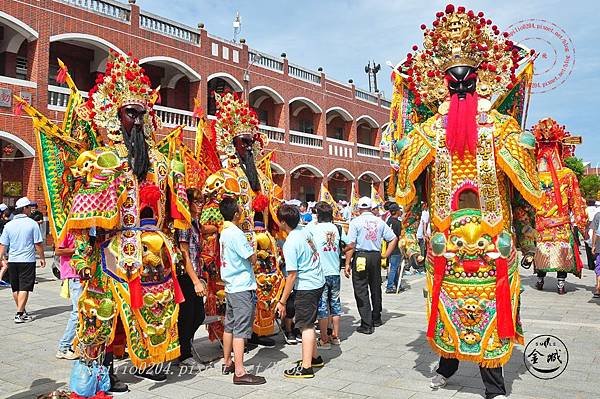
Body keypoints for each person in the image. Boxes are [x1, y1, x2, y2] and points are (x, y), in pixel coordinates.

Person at [385, 6, 542, 398]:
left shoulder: (502, 129)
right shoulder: (426, 132)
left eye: (467, 77)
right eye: (452, 78)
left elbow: (523, 192)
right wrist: (407, 233)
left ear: (480, 79)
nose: (459, 84)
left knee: (493, 309)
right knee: (445, 307)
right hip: (446, 243)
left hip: (492, 243)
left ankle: (493, 382)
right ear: (441, 82)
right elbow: (412, 191)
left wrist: (526, 236)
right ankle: (447, 364)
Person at [16, 53, 190, 395]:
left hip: (154, 252)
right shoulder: (103, 158)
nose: (138, 119)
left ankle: (137, 368)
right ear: (114, 113)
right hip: (112, 251)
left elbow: (179, 209)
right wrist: (81, 255)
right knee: (99, 318)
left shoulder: (161, 161)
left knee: (143, 316)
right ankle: (91, 384)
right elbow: (84, 215)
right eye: (131, 112)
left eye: (143, 112)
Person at [200, 92, 284, 348]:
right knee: (235, 298)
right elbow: (208, 218)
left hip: (261, 250)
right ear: (231, 143)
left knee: (263, 290)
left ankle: (259, 331)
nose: (248, 147)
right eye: (243, 142)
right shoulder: (222, 178)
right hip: (235, 250)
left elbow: (275, 214)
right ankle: (237, 339)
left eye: (251, 142)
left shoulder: (262, 178)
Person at [530, 118, 587, 294]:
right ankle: (560, 283)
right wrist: (581, 222)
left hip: (541, 225)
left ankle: (540, 278)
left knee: (542, 253)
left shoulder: (533, 175)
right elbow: (576, 201)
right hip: (559, 225)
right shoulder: (567, 175)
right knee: (559, 253)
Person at [218, 197, 266, 385]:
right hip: (242, 286)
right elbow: (252, 258)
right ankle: (239, 371)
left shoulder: (225, 231)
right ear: (236, 213)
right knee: (240, 329)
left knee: (230, 325)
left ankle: (227, 361)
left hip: (231, 285)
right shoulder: (236, 233)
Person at [276, 204, 325, 378]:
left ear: (283, 222)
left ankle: (306, 367)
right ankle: (314, 357)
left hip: (307, 286)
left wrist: (282, 301)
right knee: (309, 321)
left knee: (306, 326)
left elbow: (292, 275)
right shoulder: (304, 231)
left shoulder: (290, 242)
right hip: (317, 281)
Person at [344, 197, 398, 334]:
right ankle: (376, 317)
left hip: (361, 256)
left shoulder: (355, 222)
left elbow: (351, 245)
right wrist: (385, 255)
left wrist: (347, 263)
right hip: (375, 256)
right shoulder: (380, 222)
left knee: (361, 288)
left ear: (359, 208)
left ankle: (366, 323)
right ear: (371, 208)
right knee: (375, 286)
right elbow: (393, 238)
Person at [0, 196, 45, 323]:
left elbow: (3, 244)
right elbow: (38, 244)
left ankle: (22, 310)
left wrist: (0, 258)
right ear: (24, 209)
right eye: (29, 207)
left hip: (13, 260)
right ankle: (19, 314)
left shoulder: (9, 225)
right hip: (27, 260)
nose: (31, 209)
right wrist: (42, 258)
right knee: (25, 286)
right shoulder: (32, 224)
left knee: (16, 287)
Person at [176, 188, 207, 367]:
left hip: (195, 273)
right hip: (186, 276)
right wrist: (195, 281)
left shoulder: (195, 222)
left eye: (201, 201)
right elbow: (185, 254)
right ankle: (184, 353)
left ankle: (183, 348)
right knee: (189, 316)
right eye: (196, 202)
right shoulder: (184, 223)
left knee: (198, 315)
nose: (200, 205)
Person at [305, 201, 342, 348]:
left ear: (318, 215)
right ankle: (336, 336)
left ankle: (324, 339)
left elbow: (305, 241)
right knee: (335, 304)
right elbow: (348, 244)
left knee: (322, 306)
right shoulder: (337, 227)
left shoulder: (313, 228)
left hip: (321, 272)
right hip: (335, 271)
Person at [55, 232, 80, 360]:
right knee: (77, 312)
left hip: (84, 275)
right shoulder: (67, 231)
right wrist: (77, 251)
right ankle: (63, 347)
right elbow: (58, 251)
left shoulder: (86, 231)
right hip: (74, 275)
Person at [385, 203, 403, 293]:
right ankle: (389, 286)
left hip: (389, 247)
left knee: (394, 266)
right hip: (396, 248)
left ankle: (397, 284)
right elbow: (399, 237)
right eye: (399, 210)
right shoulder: (398, 223)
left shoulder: (388, 221)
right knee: (394, 267)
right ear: (396, 212)